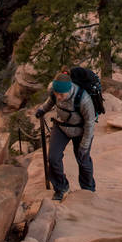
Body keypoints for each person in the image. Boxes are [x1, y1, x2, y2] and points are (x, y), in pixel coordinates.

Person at [35, 71, 96, 201]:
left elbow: (90, 124)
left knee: (83, 160)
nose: (58, 97)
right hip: (61, 126)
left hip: (80, 131)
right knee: (53, 157)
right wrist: (42, 110)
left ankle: (88, 190)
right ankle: (61, 187)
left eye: (61, 94)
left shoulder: (83, 99)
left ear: (69, 90)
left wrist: (84, 146)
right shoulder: (55, 91)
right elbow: (50, 101)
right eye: (56, 93)